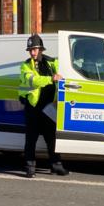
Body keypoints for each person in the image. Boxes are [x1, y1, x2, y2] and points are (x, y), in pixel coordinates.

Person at [18, 34, 69, 178]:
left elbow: (63, 73)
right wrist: (51, 78)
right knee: (31, 139)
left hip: (49, 107)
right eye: (30, 50)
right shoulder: (25, 65)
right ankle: (30, 167)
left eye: (34, 49)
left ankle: (56, 165)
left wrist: (61, 75)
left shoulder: (52, 62)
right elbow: (33, 81)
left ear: (41, 49)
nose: (32, 52)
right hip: (33, 108)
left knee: (52, 138)